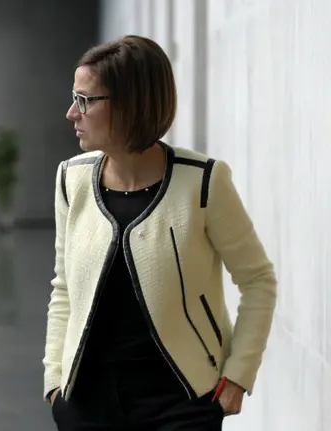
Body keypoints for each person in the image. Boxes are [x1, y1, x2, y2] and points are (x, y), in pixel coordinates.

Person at [42, 35, 277, 430]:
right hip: (87, 400)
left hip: (180, 401)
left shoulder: (203, 183)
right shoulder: (72, 179)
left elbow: (258, 281)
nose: (71, 113)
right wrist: (54, 380)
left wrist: (238, 374)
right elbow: (63, 287)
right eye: (74, 97)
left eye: (85, 100)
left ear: (130, 104)